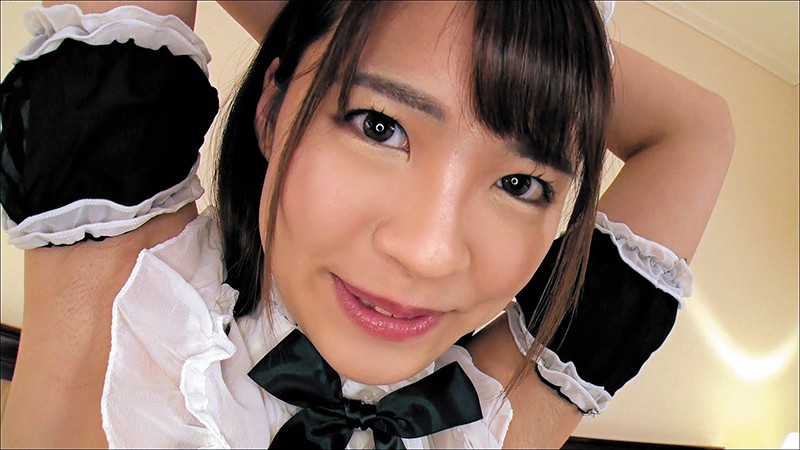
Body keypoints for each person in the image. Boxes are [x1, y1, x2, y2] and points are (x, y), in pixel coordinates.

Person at [0, 0, 734, 448]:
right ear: (273, 106)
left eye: (520, 183)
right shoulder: (129, 307)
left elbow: (699, 132)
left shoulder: (484, 427)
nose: (429, 253)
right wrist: (353, 18)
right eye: (379, 125)